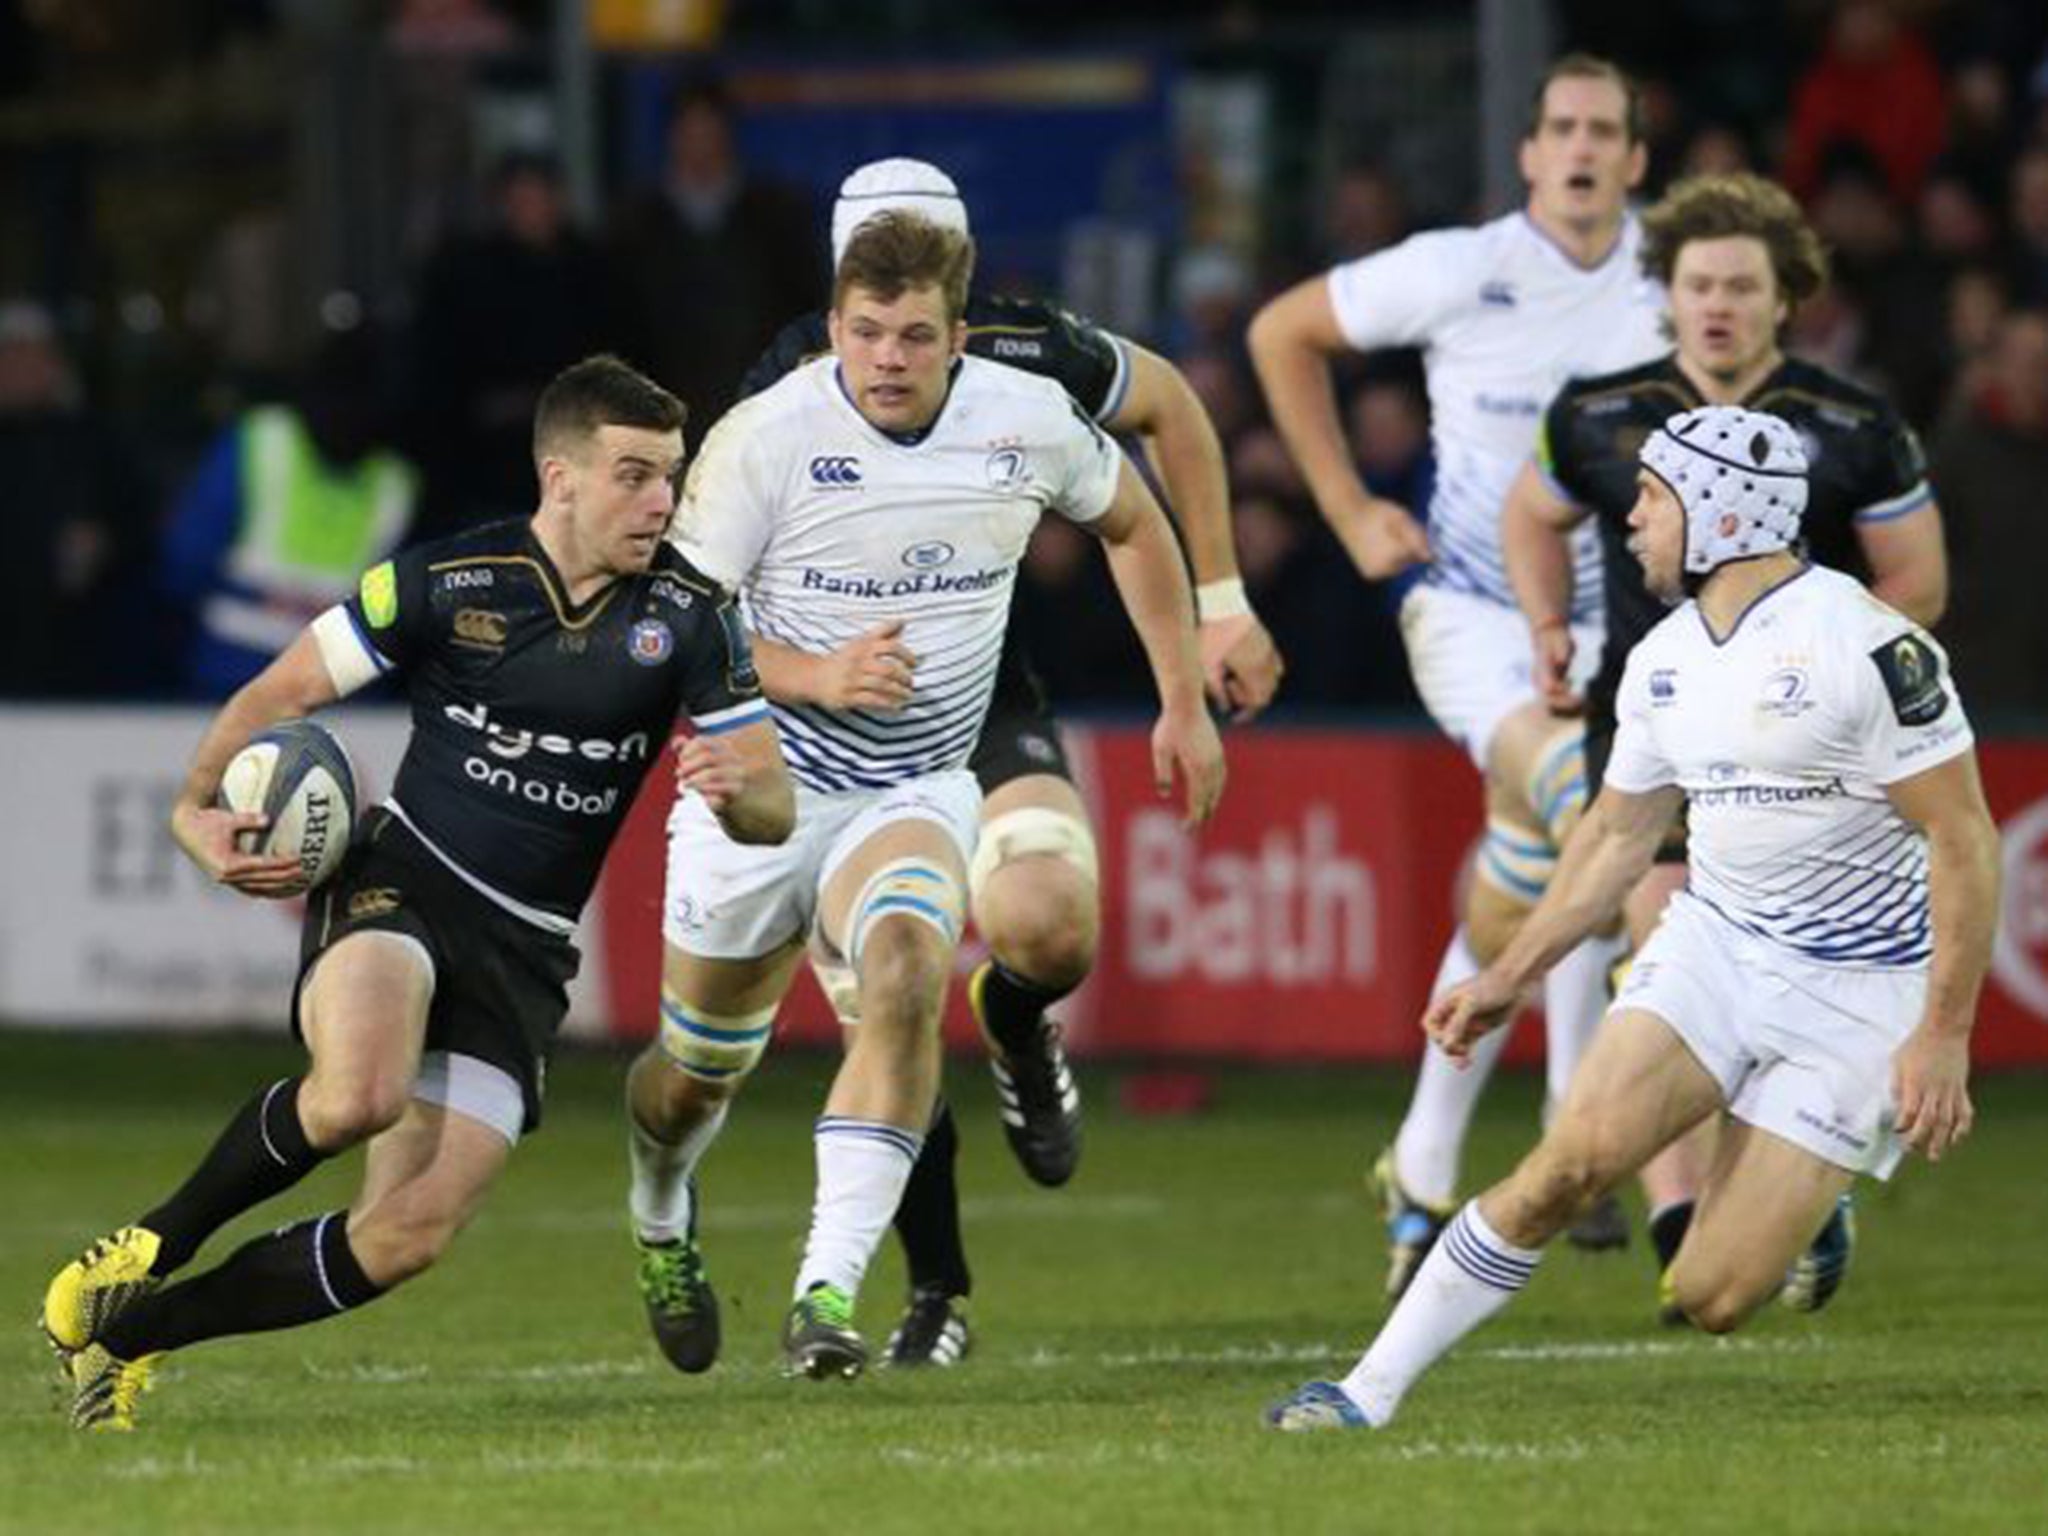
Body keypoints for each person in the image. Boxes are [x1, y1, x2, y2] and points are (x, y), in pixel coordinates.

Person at [41, 355, 793, 1430]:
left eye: (670, 476)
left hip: (525, 952)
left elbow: (772, 804)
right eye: (634, 474)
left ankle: (126, 1337)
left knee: (405, 1237)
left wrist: (742, 797)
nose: (661, 501)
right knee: (357, 1093)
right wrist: (190, 809)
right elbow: (279, 688)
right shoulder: (449, 580)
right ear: (560, 476)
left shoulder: (690, 618)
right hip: (404, 885)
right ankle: (146, 1247)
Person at [627, 157, 1280, 1370]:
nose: (887, 349)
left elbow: (1161, 445)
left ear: (959, 300)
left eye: (916, 323)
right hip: (777, 757)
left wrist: (1199, 652)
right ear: (836, 304)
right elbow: (673, 622)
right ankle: (675, 1206)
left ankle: (852, 1289)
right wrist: (806, 677)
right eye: (865, 320)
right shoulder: (776, 410)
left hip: (951, 717)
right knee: (691, 1081)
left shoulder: (1028, 368)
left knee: (968, 957)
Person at [1268, 404, 2000, 1432]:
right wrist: (1505, 976)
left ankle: (1804, 1179)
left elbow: (1963, 840)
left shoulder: (1868, 649)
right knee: (1563, 1167)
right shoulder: (1661, 657)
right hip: (1716, 948)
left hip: (1855, 993)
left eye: (1653, 499)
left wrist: (1942, 1033)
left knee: (1708, 1297)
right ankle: (1359, 1393)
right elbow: (1614, 838)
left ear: (1722, 511)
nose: (1630, 523)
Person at [1247, 53, 1668, 1298]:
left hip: (1626, 630)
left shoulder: (1671, 285)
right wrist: (1346, 509)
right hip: (1473, 615)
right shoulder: (1456, 267)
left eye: (1605, 130)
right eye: (1561, 129)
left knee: (1520, 877)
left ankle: (1423, 1169)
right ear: (1529, 154)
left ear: (1635, 161)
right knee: (1590, 805)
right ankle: (1574, 1135)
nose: (1581, 148)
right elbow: (1282, 333)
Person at [1501, 171, 1949, 1314]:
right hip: (1653, 724)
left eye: (1740, 286)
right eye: (1697, 282)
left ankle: (1788, 1171)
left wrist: (1820, 672)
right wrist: (1546, 621)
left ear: (1780, 298)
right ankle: (1678, 1220)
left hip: (1803, 752)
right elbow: (1528, 514)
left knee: (1742, 958)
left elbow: (1917, 579)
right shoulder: (1600, 410)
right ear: (1667, 291)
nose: (1717, 304)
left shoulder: (1849, 423)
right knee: (1657, 935)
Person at [160, 326, 421, 698]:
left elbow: (183, 566)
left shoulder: (258, 440)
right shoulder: (396, 483)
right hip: (330, 687)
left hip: (236, 675)